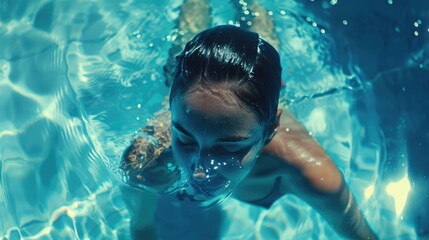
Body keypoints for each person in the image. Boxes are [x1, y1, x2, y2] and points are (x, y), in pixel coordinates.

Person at [120, 2, 378, 240]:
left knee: (261, 39)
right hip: (194, 95)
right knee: (187, 43)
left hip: (255, 100)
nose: (198, 170)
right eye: (185, 138)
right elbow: (142, 228)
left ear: (271, 129)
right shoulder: (146, 163)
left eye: (229, 147)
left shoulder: (310, 172)